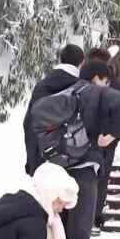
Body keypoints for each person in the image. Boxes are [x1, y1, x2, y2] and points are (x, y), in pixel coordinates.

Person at [55, 60, 120, 239]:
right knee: (80, 236)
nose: (107, 85)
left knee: (58, 231)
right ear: (96, 78)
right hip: (85, 170)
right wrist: (112, 134)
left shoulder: (64, 93)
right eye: (105, 80)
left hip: (58, 169)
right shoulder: (98, 94)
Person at [83, 48, 120, 233]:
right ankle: (94, 217)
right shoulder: (117, 86)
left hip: (91, 139)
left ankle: (88, 217)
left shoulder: (82, 84)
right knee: (100, 180)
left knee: (90, 179)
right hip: (107, 141)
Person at [24, 44, 85, 176]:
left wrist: (32, 162)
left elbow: (29, 123)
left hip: (43, 161)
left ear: (61, 59)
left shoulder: (41, 86)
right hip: (75, 161)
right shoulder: (81, 87)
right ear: (82, 62)